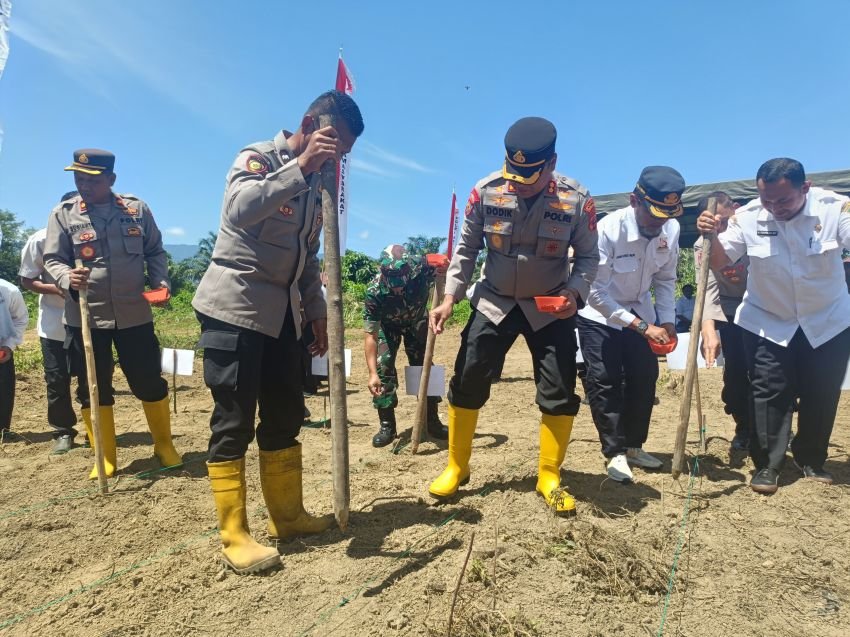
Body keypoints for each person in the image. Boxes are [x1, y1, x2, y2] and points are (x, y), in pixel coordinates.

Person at [192, 90, 364, 574]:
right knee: (234, 420)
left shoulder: (317, 187)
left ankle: (287, 517)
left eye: (343, 155)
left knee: (286, 412)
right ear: (309, 125)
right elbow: (239, 211)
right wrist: (302, 166)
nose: (337, 161)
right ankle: (235, 536)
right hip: (236, 310)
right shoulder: (259, 160)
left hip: (285, 317)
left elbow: (307, 260)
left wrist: (316, 313)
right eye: (334, 146)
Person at [429, 116, 599, 516]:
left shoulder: (577, 200)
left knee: (559, 390)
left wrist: (575, 294)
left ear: (552, 163)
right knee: (468, 377)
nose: (520, 182)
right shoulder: (486, 192)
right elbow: (467, 250)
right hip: (495, 300)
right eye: (515, 173)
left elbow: (589, 257)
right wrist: (451, 296)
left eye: (531, 175)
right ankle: (457, 465)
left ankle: (549, 476)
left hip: (549, 306)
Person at [697, 158, 850, 494]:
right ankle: (767, 464)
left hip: (828, 319)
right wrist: (715, 236)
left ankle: (811, 458)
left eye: (783, 200)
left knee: (821, 392)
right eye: (767, 200)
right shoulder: (748, 216)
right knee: (769, 390)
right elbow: (723, 265)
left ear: (805, 188)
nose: (774, 208)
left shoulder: (835, 208)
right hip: (767, 319)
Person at [43, 149, 182, 479]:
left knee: (148, 379)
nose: (82, 184)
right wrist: (66, 277)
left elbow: (155, 251)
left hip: (134, 315)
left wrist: (160, 282)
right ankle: (104, 456)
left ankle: (164, 444)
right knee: (93, 386)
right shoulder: (63, 214)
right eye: (77, 178)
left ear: (111, 180)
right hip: (86, 318)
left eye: (90, 179)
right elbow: (52, 259)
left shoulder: (136, 210)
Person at [577, 166, 683, 483]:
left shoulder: (671, 230)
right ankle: (615, 453)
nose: (658, 224)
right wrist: (641, 326)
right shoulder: (607, 230)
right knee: (605, 382)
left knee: (644, 378)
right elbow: (595, 293)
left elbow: (665, 279)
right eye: (653, 215)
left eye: (665, 215)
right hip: (600, 317)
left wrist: (667, 320)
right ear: (633, 200)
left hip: (642, 313)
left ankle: (634, 446)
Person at [364, 244, 448, 447]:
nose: (398, 289)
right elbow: (371, 336)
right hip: (388, 326)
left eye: (401, 283)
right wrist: (372, 373)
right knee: (383, 367)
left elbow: (441, 260)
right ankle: (387, 426)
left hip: (417, 322)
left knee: (425, 367)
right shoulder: (374, 292)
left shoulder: (420, 265)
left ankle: (432, 421)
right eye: (392, 285)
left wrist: (444, 265)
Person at [19, 192, 80, 454]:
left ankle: (97, 428)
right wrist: (56, 289)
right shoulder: (40, 239)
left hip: (90, 321)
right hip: (54, 323)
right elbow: (27, 279)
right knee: (57, 379)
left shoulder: (95, 236)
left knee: (94, 378)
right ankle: (63, 431)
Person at [695, 192, 751, 452]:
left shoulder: (751, 230)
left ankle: (774, 428)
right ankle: (744, 427)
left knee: (769, 372)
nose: (718, 229)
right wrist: (709, 328)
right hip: (729, 310)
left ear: (735, 210)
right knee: (737, 373)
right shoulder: (701, 244)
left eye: (723, 223)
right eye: (712, 223)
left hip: (766, 306)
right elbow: (707, 285)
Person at [0, 272, 28, 440]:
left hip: (1, 348)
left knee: (3, 390)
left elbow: (21, 319)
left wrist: (9, 346)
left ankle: (3, 429)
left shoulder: (9, 290)